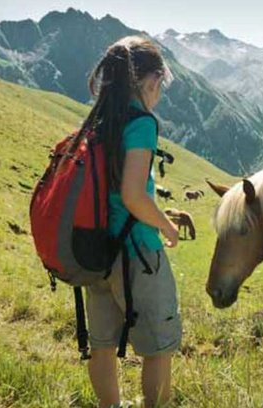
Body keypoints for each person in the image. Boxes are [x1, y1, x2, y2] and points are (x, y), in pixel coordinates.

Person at [81, 35, 181, 408]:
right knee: (157, 348)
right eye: (160, 85)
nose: (159, 93)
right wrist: (167, 227)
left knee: (102, 345)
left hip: (96, 249)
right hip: (137, 251)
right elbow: (134, 195)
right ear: (151, 80)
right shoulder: (141, 123)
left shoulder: (99, 118)